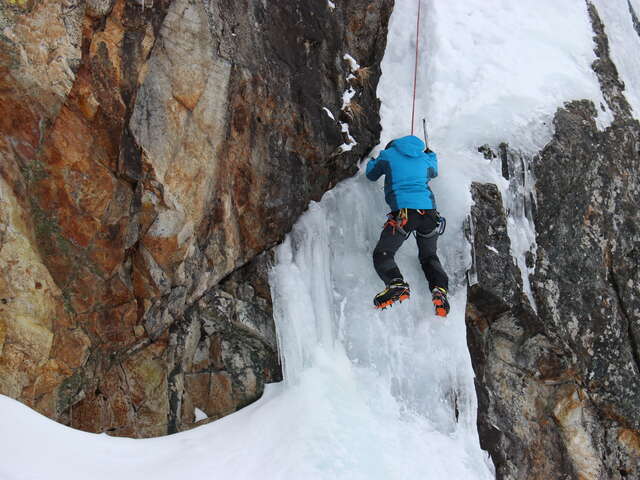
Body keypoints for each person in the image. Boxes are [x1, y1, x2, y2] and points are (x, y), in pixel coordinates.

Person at [365, 135, 450, 316]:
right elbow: (434, 170)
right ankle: (440, 290)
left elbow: (371, 175)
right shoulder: (424, 157)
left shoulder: (388, 155)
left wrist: (371, 160)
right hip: (429, 214)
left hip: (405, 214)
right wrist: (431, 154)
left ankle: (396, 283)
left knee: (383, 253)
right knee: (429, 256)